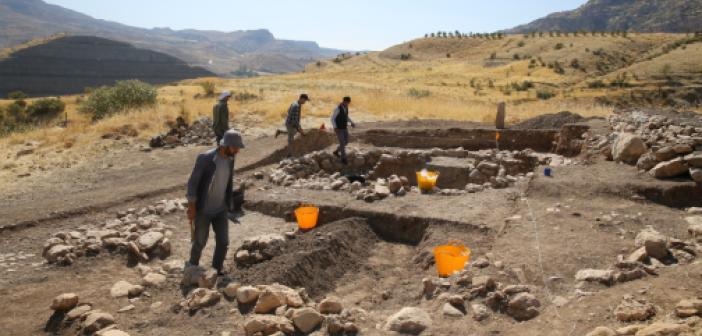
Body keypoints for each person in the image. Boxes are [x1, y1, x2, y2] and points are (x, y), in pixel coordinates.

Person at [186, 129, 245, 275]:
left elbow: (228, 181)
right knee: (200, 241)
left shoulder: (230, 160)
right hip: (203, 210)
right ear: (225, 146)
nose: (237, 151)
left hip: (220, 209)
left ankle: (216, 269)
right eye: (235, 147)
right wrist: (192, 206)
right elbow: (192, 183)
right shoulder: (205, 158)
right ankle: (192, 265)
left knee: (224, 242)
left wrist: (229, 204)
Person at [331, 96, 355, 164]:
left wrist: (351, 122)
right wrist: (335, 127)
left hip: (344, 128)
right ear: (344, 101)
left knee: (346, 142)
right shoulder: (337, 108)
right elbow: (332, 119)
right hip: (339, 129)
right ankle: (343, 158)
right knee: (342, 143)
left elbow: (346, 116)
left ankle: (336, 151)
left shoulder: (346, 107)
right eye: (347, 103)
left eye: (348, 103)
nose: (348, 104)